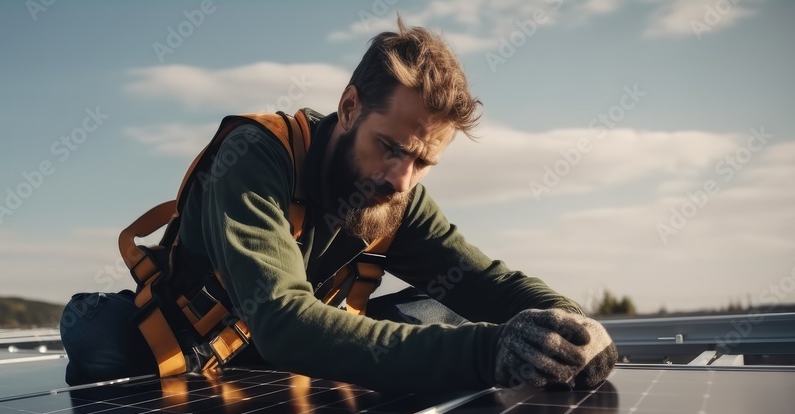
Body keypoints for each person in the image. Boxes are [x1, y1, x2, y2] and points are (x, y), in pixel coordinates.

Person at [61, 18, 617, 393]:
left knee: (451, 305)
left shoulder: (400, 195)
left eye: (423, 163)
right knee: (98, 343)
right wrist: (486, 354)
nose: (403, 180)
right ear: (349, 107)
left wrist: (573, 323)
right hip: (202, 332)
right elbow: (282, 322)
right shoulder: (259, 154)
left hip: (303, 337)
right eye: (392, 149)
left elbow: (485, 282)